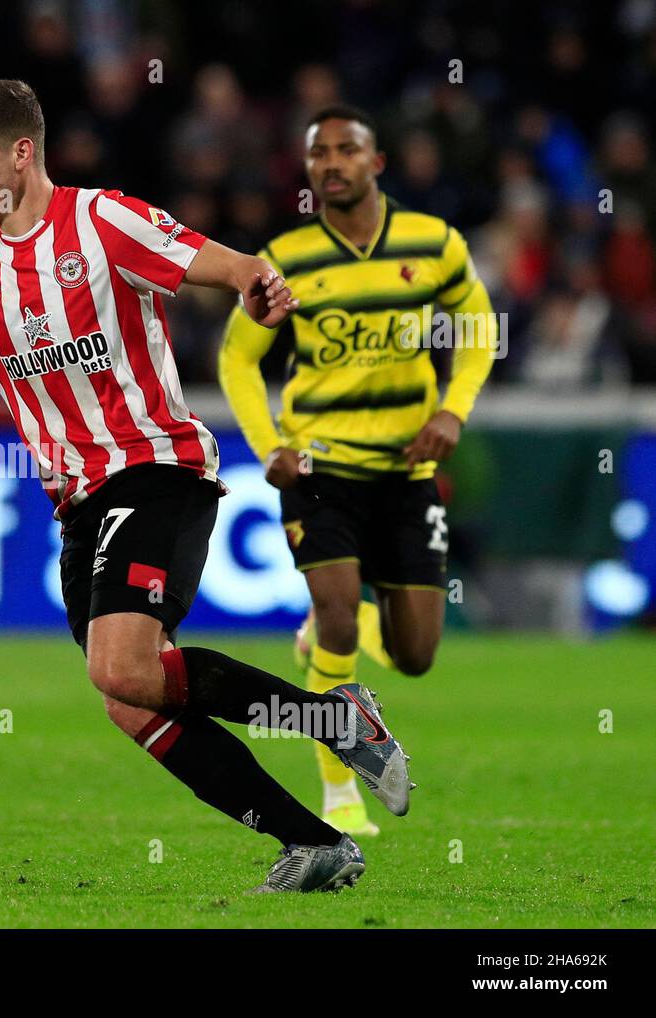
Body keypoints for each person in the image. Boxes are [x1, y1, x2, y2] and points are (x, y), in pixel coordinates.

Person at [0, 80, 412, 893]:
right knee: (131, 699)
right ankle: (316, 842)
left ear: (19, 153)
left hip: (156, 467)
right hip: (76, 503)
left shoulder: (101, 222)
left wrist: (255, 284)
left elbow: (228, 263)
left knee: (124, 670)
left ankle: (336, 721)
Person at [219, 106, 497, 837]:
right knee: (339, 611)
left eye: (348, 150)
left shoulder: (432, 244)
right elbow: (237, 359)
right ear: (308, 171)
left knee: (416, 656)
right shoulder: (284, 258)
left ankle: (323, 637)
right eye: (320, 154)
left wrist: (453, 414)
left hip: (406, 471)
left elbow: (477, 331)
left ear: (377, 163)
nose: (333, 163)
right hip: (321, 468)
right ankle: (339, 795)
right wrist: (268, 445)